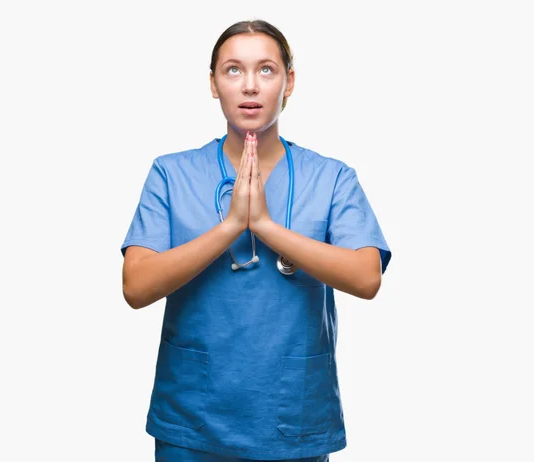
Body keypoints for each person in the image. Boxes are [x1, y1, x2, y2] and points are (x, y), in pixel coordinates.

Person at [120, 19, 392, 462]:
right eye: (232, 70)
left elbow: (367, 277)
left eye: (266, 70)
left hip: (291, 417)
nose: (250, 85)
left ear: (289, 82)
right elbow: (136, 287)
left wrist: (264, 226)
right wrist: (230, 227)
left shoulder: (331, 177)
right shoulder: (171, 174)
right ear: (213, 83)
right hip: (193, 418)